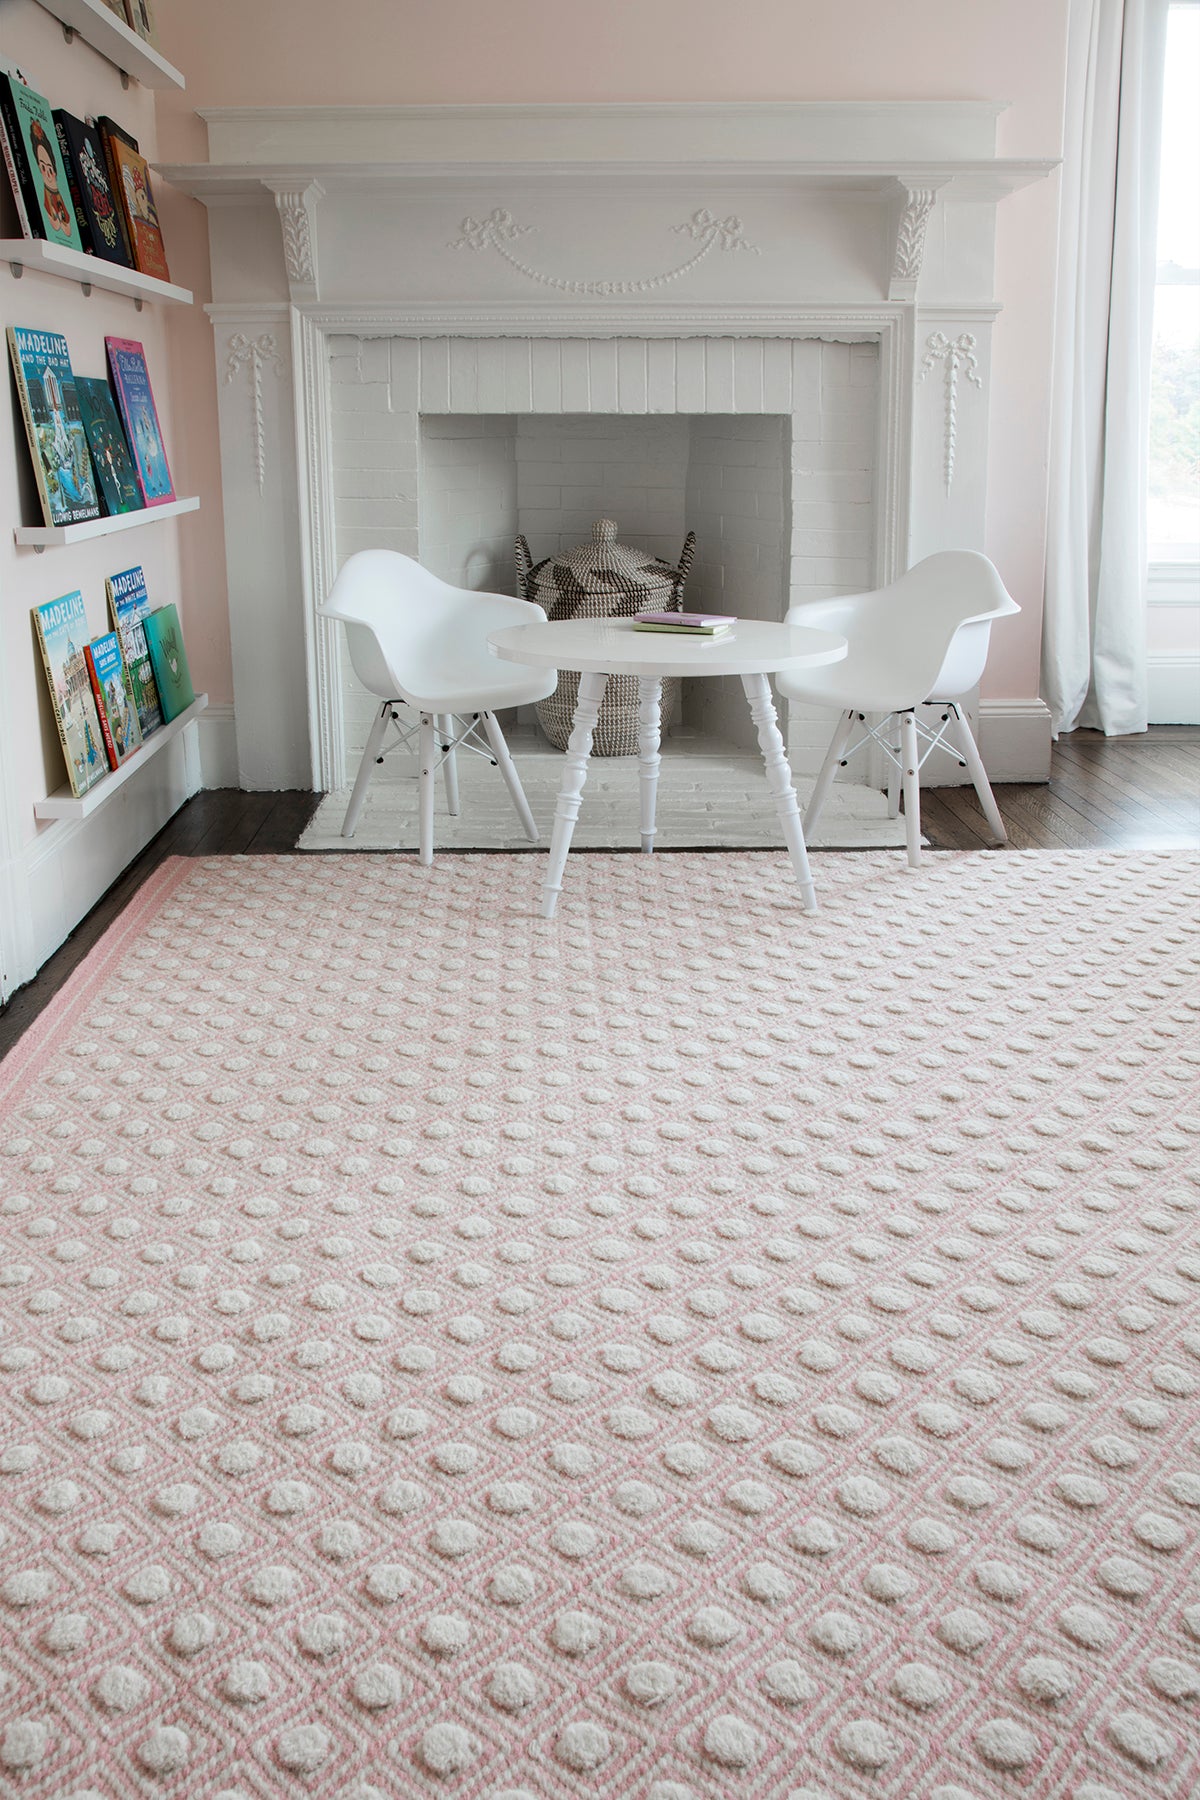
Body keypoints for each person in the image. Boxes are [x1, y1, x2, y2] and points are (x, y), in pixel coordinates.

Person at [30, 120, 72, 242]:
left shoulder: (59, 196)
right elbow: (55, 225)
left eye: (50, 167)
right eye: (43, 167)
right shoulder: (45, 196)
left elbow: (67, 230)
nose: (48, 173)